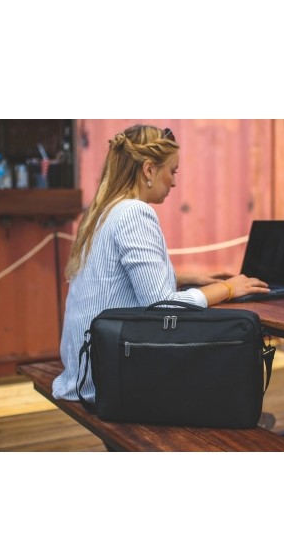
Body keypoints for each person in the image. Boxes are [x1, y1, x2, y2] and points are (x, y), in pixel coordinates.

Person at [52, 124, 270, 404]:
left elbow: (116, 281)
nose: (174, 182)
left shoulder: (105, 212)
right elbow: (161, 305)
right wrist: (228, 288)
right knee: (229, 367)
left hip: (85, 367)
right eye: (172, 171)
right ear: (148, 170)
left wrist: (186, 278)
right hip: (107, 378)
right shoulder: (134, 212)